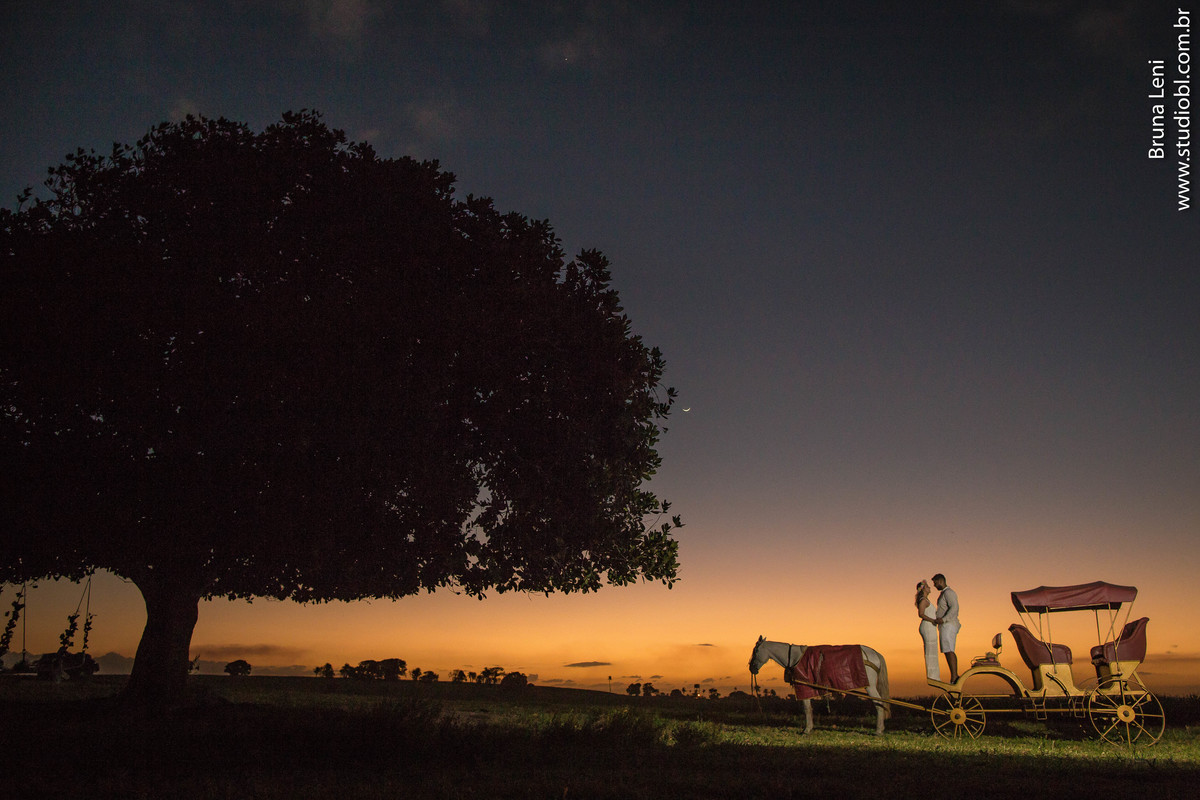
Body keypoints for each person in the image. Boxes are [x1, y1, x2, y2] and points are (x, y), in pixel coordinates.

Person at [933, 573, 960, 682]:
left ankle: (954, 675)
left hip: (948, 624)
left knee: (949, 649)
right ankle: (953, 675)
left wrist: (943, 619)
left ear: (940, 581)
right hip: (944, 625)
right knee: (946, 649)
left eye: (935, 583)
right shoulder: (943, 593)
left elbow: (954, 608)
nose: (934, 585)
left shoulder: (949, 593)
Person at [915, 580, 939, 681]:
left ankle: (934, 675)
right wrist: (932, 620)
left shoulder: (926, 600)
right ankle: (932, 676)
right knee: (930, 651)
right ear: (924, 589)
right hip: (928, 626)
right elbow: (921, 614)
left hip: (930, 626)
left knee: (932, 650)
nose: (930, 588)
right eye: (928, 586)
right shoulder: (923, 600)